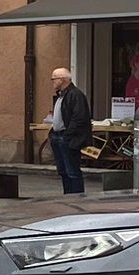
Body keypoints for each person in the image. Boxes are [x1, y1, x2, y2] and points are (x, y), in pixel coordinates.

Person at [48, 65, 93, 196]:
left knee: (72, 171)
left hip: (67, 137)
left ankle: (77, 197)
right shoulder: (62, 95)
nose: (53, 81)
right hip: (58, 136)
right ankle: (67, 196)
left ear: (62, 80)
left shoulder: (75, 95)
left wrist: (67, 135)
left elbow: (79, 117)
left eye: (54, 78)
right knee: (63, 171)